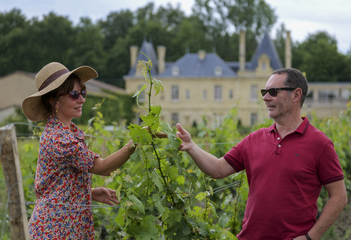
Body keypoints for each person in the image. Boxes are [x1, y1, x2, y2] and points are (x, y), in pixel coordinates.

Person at [176, 68, 348, 240]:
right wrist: (191, 146)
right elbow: (218, 169)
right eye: (264, 92)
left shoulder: (320, 144)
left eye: (273, 92)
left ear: (296, 95)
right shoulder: (254, 138)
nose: (265, 98)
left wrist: (310, 237)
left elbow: (339, 197)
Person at [22, 62, 137, 239]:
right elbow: (103, 167)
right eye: (74, 95)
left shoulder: (67, 133)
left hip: (64, 226)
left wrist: (88, 193)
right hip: (54, 229)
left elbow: (57, 186)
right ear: (54, 101)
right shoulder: (60, 139)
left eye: (83, 93)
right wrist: (136, 141)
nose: (82, 99)